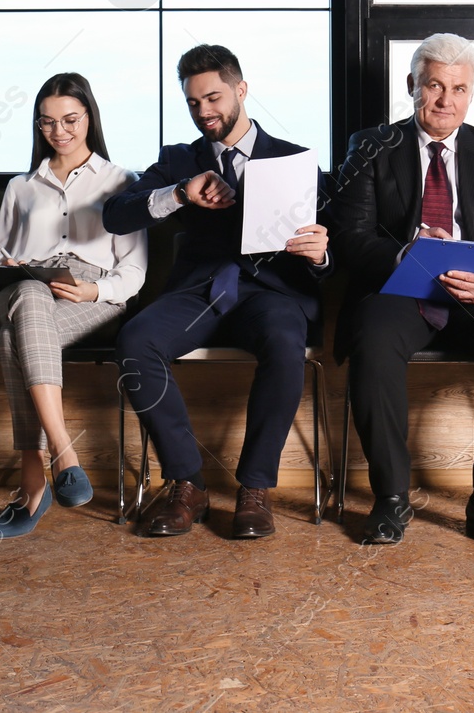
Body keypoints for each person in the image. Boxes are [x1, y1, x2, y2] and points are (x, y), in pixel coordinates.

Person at [103, 45, 330, 539]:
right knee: (136, 341)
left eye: (213, 98)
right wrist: (181, 192)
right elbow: (116, 214)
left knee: (285, 340)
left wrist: (321, 253)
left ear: (241, 90)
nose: (204, 112)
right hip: (201, 292)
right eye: (192, 103)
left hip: (271, 292)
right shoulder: (178, 160)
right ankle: (187, 481)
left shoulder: (296, 160)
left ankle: (254, 488)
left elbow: (336, 244)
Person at [329, 34, 474, 549]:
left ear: (472, 94)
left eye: (460, 89)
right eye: (435, 86)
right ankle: (391, 497)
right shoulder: (370, 146)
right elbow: (353, 237)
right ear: (412, 86)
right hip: (402, 291)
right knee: (372, 337)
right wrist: (406, 253)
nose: (447, 100)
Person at [0, 73, 148, 539]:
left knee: (15, 337)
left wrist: (94, 291)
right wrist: (16, 270)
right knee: (29, 297)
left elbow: (133, 273)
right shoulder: (22, 186)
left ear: (89, 118)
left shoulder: (122, 181)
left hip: (90, 294)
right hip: (22, 286)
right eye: (48, 123)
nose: (60, 131)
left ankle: (33, 483)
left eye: (70, 119)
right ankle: (63, 452)